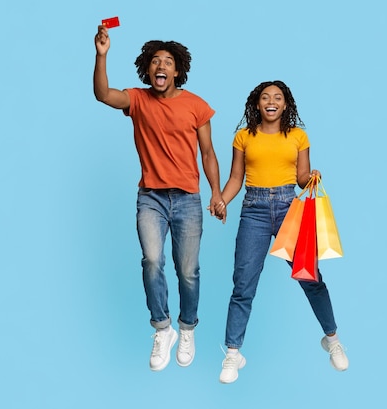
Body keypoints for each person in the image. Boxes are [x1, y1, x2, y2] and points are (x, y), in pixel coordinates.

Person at [93, 25, 225, 371]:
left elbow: (208, 153)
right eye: (154, 61)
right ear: (147, 69)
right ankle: (162, 328)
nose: (160, 66)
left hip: (188, 200)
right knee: (152, 261)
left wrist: (217, 194)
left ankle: (187, 328)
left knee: (188, 272)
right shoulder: (137, 99)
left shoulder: (197, 106)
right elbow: (103, 94)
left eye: (167, 61)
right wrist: (101, 55)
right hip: (150, 197)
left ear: (177, 70)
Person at [212, 80, 348, 384]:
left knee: (310, 276)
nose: (271, 102)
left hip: (289, 208)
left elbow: (301, 177)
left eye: (277, 97)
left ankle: (333, 340)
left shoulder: (298, 136)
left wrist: (310, 176)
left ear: (285, 104)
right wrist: (221, 199)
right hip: (254, 209)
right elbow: (236, 178)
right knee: (243, 284)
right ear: (257, 104)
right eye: (265, 97)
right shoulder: (243, 136)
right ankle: (233, 354)